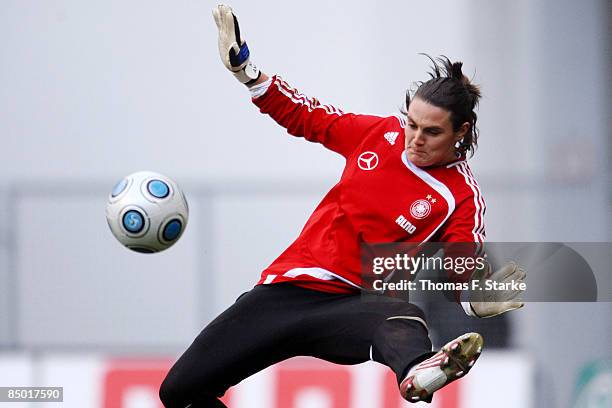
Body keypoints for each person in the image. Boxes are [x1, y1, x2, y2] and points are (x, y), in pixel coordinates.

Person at [159, 5, 526, 407]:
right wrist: (246, 71)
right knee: (179, 392)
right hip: (287, 291)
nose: (416, 138)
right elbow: (307, 116)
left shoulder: (461, 195)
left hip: (355, 306)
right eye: (412, 123)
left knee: (402, 319)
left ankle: (420, 372)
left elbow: (462, 264)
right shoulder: (378, 134)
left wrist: (476, 298)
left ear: (461, 132)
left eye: (432, 131)